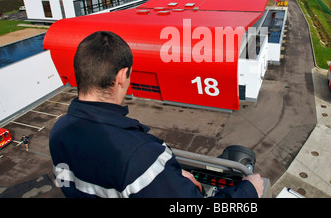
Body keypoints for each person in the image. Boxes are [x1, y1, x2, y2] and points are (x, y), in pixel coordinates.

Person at [49, 31, 263, 198]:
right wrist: (249, 191)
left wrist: (165, 179)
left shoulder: (59, 132)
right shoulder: (139, 154)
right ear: (122, 76)